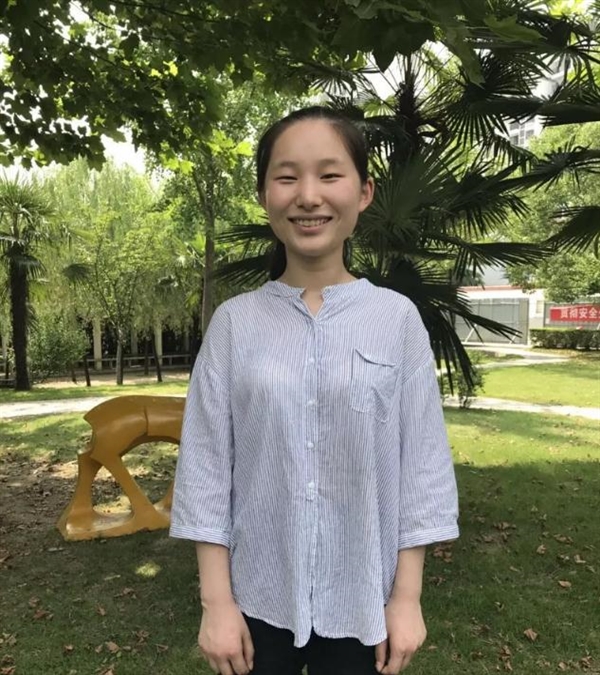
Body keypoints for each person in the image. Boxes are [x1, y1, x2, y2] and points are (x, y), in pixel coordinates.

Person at [170, 106, 459, 675]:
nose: (308, 196)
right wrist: (215, 603)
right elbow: (205, 467)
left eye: (329, 175)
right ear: (264, 195)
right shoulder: (234, 324)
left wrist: (407, 598)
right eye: (286, 177)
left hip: (364, 600)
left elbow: (422, 466)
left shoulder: (396, 320)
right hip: (255, 601)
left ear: (364, 191)